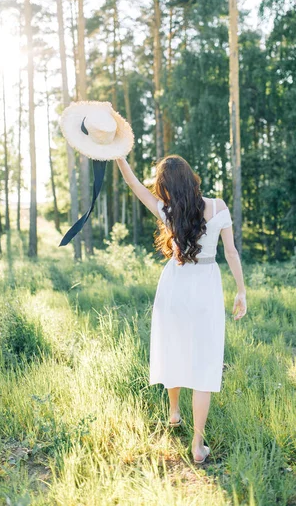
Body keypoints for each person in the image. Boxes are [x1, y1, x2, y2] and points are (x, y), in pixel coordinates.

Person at [117, 154, 247, 465]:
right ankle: (197, 445)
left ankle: (174, 411)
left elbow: (133, 183)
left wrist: (119, 155)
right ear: (191, 177)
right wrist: (241, 290)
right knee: (204, 363)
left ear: (166, 186)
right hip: (205, 287)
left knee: (173, 348)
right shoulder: (218, 207)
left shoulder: (168, 210)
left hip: (175, 285)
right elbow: (231, 251)